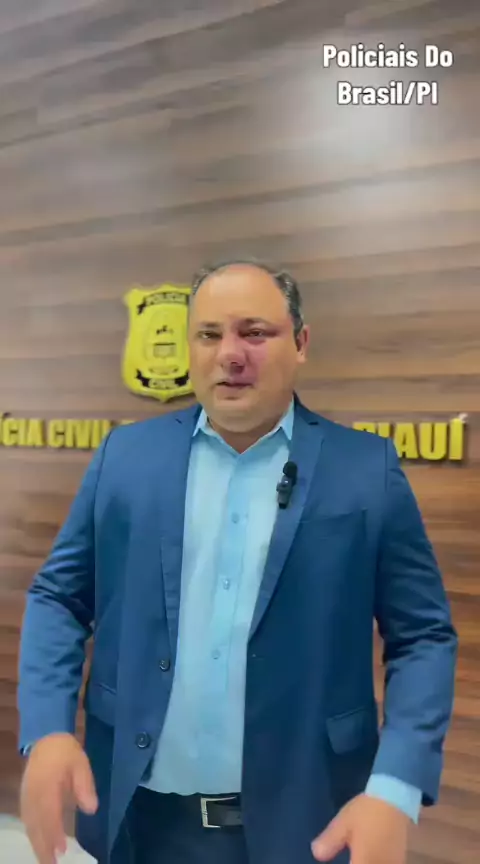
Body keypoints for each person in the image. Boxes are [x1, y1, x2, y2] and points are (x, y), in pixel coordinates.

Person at [17, 258, 457, 864]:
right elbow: (59, 598)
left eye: (255, 332)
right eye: (209, 334)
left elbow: (423, 636)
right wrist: (47, 728)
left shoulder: (367, 471)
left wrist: (395, 786)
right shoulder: (126, 457)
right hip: (138, 822)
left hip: (308, 824)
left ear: (300, 343)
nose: (230, 354)